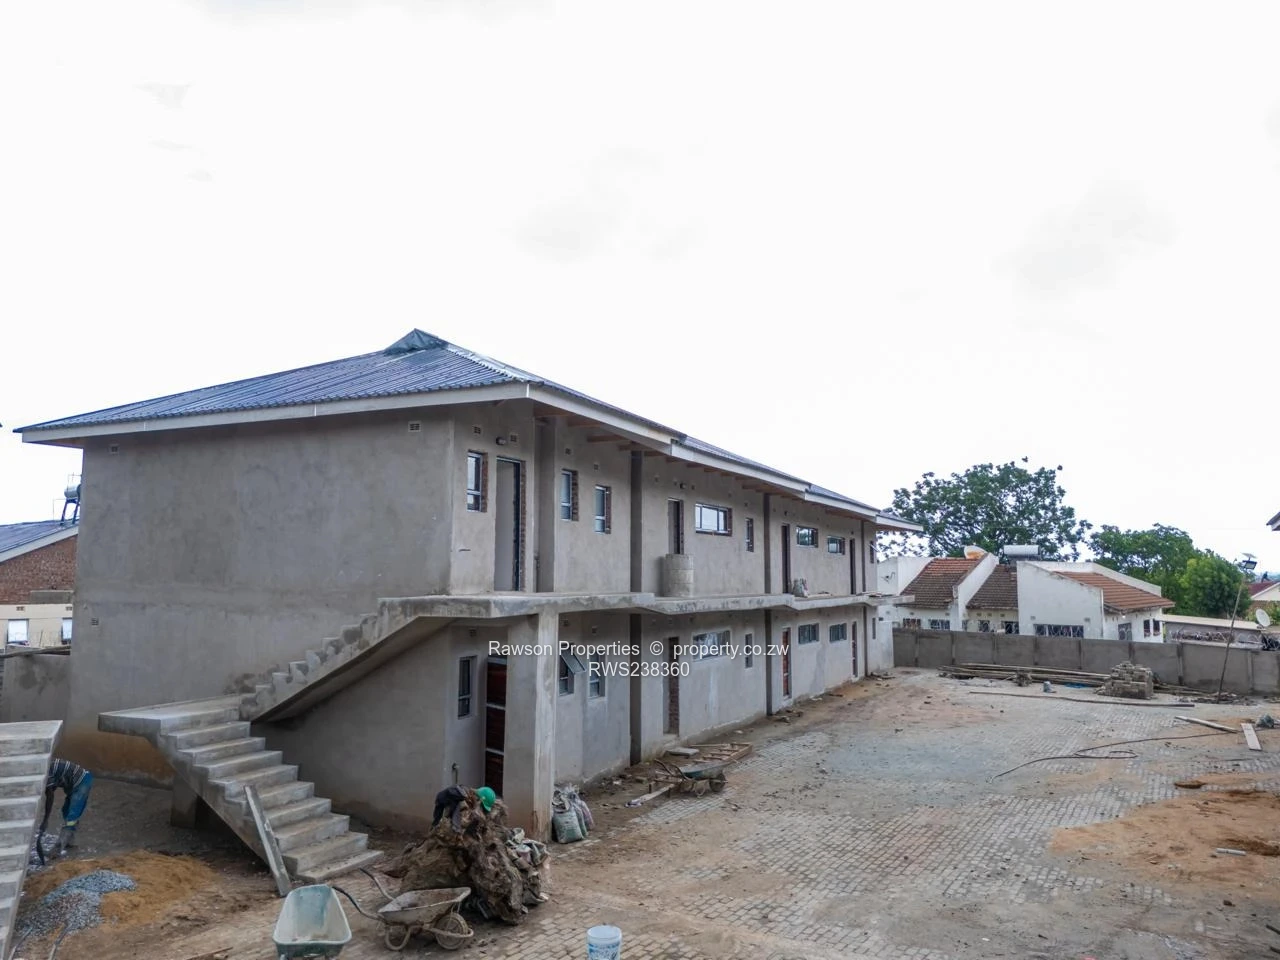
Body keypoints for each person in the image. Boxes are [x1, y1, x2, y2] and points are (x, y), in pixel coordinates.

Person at [44, 758, 93, 856]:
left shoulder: (46, 772)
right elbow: (50, 789)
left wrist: (45, 819)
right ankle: (70, 841)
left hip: (82, 781)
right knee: (66, 810)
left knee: (72, 815)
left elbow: (50, 796)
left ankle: (58, 849)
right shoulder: (47, 767)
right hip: (75, 783)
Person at [431, 785, 496, 829]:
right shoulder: (463, 797)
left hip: (444, 804)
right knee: (437, 825)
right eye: (481, 805)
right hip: (442, 804)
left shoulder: (467, 796)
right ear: (479, 799)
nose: (480, 808)